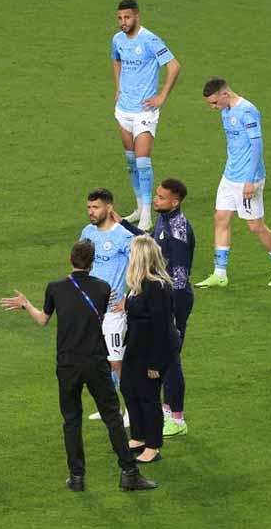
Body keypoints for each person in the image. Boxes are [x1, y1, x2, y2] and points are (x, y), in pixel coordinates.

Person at [0, 241, 156, 492]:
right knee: (112, 417)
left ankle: (77, 477)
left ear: (70, 259)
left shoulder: (55, 288)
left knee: (72, 420)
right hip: (95, 361)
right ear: (92, 263)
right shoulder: (103, 288)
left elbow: (42, 320)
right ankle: (129, 472)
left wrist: (26, 304)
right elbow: (99, 318)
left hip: (68, 364)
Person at [195, 78, 271, 288]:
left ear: (224, 94)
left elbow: (257, 146)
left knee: (255, 226)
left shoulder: (247, 111)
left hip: (248, 179)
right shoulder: (225, 111)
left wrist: (250, 180)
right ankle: (220, 273)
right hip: (229, 175)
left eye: (214, 102)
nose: (213, 108)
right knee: (221, 218)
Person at [116, 179, 194, 437]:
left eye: (161, 197)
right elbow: (151, 241)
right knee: (161, 353)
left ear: (176, 201)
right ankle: (167, 409)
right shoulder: (165, 220)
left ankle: (177, 418)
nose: (155, 200)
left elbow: (181, 277)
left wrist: (173, 311)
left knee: (170, 354)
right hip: (162, 297)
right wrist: (125, 225)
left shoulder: (179, 230)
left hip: (174, 300)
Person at [112, 0, 181, 231]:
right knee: (131, 160)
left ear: (137, 17)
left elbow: (174, 66)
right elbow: (116, 59)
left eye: (127, 18)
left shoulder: (150, 40)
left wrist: (161, 97)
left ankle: (147, 216)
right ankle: (140, 207)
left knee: (142, 161)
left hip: (145, 111)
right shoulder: (117, 39)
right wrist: (118, 87)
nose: (123, 22)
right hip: (123, 109)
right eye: (120, 18)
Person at [120, 235, 179, 464]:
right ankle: (138, 436)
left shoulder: (156, 287)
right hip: (135, 348)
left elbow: (162, 328)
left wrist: (155, 363)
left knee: (148, 396)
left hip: (150, 352)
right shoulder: (139, 284)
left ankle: (153, 446)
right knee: (129, 389)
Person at [79, 188, 135, 425]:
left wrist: (129, 298)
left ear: (109, 208)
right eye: (89, 208)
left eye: (96, 207)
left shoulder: (123, 236)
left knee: (116, 362)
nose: (91, 212)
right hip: (91, 310)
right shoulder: (87, 232)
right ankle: (108, 408)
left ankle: (132, 410)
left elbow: (140, 269)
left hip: (113, 312)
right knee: (98, 362)